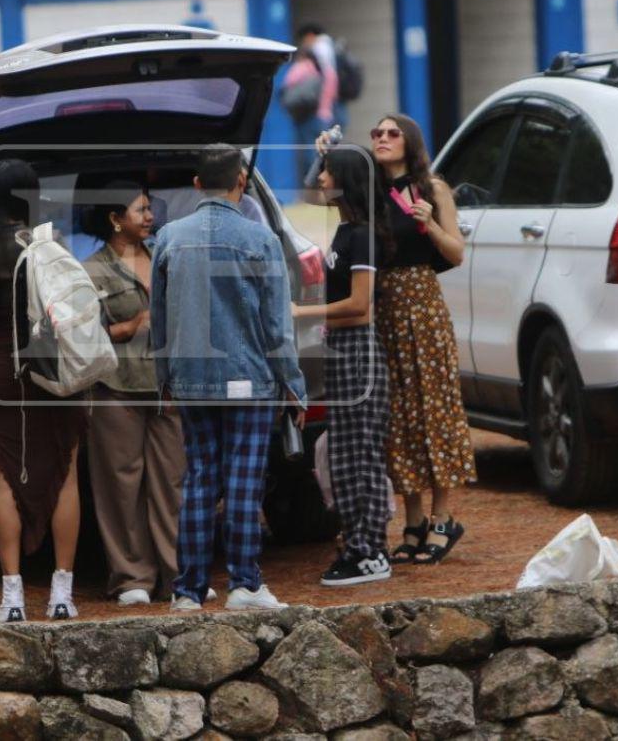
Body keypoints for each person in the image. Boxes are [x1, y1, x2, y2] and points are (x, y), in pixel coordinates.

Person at [151, 144, 307, 611]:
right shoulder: (260, 240)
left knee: (199, 478)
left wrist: (165, 380)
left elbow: (159, 320)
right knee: (243, 479)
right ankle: (244, 583)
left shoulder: (169, 238)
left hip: (191, 378)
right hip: (250, 379)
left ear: (196, 185)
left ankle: (188, 590)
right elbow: (278, 326)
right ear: (242, 181)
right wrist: (293, 384)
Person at [320, 115, 475, 564]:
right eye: (377, 133)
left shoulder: (433, 188)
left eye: (392, 133)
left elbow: (457, 254)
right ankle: (412, 522)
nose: (382, 139)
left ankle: (443, 517)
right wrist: (323, 156)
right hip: (380, 306)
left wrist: (430, 224)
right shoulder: (369, 189)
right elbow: (333, 189)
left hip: (421, 305)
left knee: (433, 407)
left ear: (410, 141)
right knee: (397, 417)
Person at [0, 159, 87, 622]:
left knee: (6, 472)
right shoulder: (51, 247)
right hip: (51, 364)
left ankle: (12, 597)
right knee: (66, 469)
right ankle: (62, 594)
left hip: (4, 364)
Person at [82, 180, 186, 606]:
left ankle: (180, 574)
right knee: (120, 484)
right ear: (114, 219)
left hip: (167, 386)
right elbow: (79, 337)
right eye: (140, 210)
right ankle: (131, 579)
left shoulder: (166, 256)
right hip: (115, 388)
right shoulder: (90, 270)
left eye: (150, 209)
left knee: (173, 481)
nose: (150, 217)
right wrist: (126, 328)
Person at [292, 147, 392, 585]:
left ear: (347, 181)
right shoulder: (347, 228)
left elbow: (361, 306)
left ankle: (370, 552)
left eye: (329, 172)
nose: (321, 179)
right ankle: (358, 542)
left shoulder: (362, 235)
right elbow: (311, 194)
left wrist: (303, 313)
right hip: (342, 350)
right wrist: (323, 154)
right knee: (344, 455)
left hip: (359, 352)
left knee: (361, 456)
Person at [294, 22, 348, 185]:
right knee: (329, 148)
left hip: (320, 111)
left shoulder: (319, 49)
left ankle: (317, 186)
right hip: (334, 109)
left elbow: (327, 79)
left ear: (309, 36)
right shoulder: (333, 47)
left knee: (318, 151)